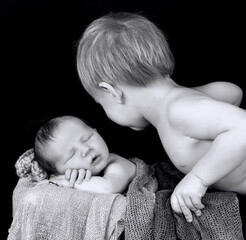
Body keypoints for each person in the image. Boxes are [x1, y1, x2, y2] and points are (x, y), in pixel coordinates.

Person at [76, 12, 246, 222]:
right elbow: (233, 92)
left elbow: (243, 126)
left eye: (101, 104)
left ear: (112, 92)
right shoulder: (183, 104)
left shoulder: (178, 111)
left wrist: (198, 179)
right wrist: (200, 98)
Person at [16, 115, 136, 194]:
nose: (86, 149)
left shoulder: (116, 163)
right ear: (58, 172)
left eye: (88, 138)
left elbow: (108, 187)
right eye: (71, 155)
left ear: (96, 131)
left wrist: (67, 183)